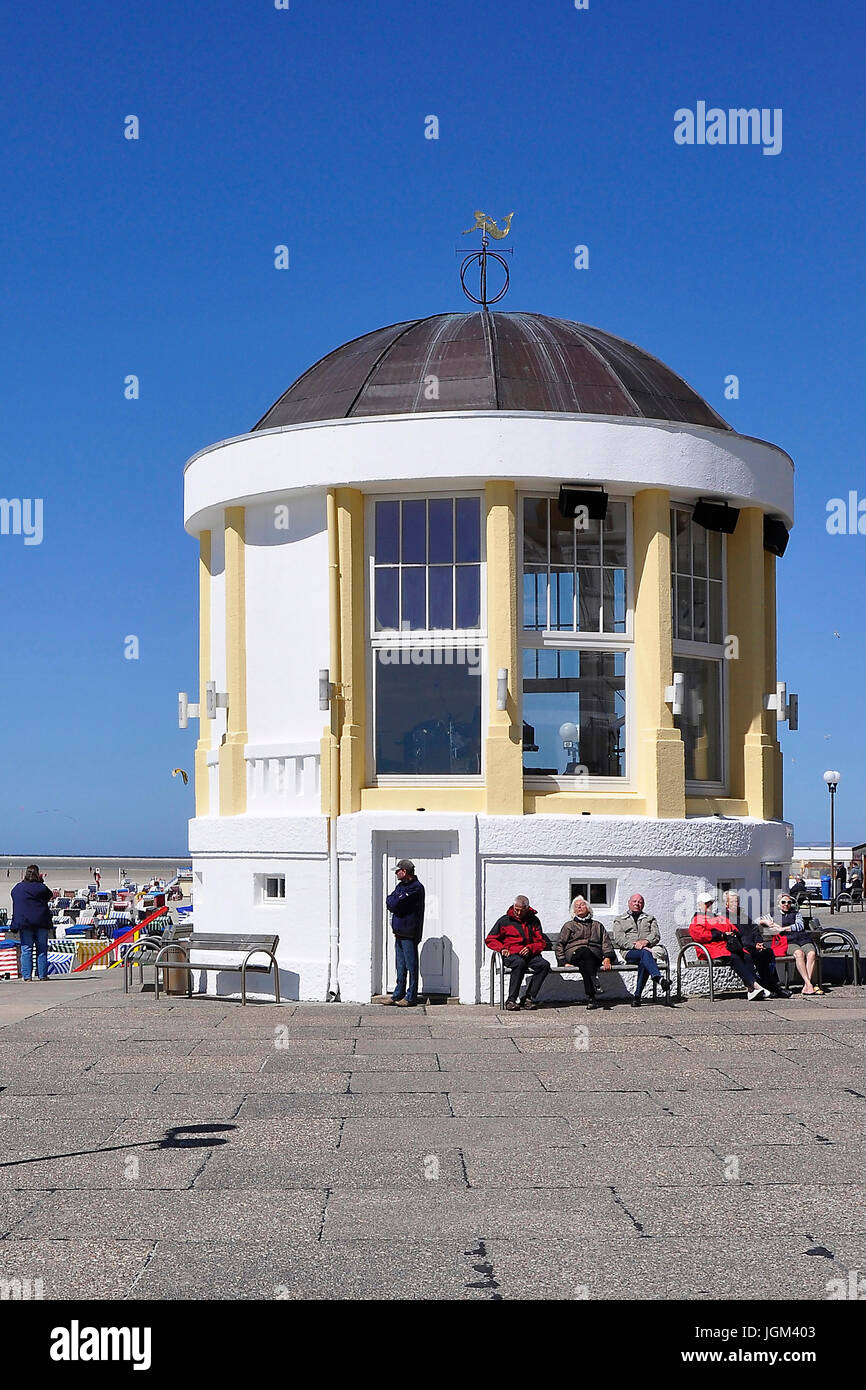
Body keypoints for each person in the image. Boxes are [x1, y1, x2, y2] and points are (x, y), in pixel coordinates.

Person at [688, 891, 770, 1001]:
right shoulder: (697, 919)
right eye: (706, 903)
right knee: (734, 957)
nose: (709, 906)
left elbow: (732, 928)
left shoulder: (717, 918)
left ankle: (751, 990)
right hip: (709, 949)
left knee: (746, 955)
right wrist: (721, 935)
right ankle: (755, 985)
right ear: (700, 905)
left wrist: (732, 934)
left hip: (723, 947)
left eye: (710, 903)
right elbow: (700, 936)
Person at [485, 895, 551, 1010]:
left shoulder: (534, 920)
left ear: (527, 908)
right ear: (513, 906)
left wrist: (530, 948)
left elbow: (541, 942)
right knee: (519, 963)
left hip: (530, 954)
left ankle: (528, 998)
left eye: (522, 910)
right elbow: (490, 939)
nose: (519, 913)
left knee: (544, 965)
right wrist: (501, 948)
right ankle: (511, 1000)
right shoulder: (504, 920)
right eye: (516, 910)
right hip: (510, 954)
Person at [724, 891, 790, 998]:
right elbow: (738, 937)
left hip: (753, 946)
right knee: (758, 956)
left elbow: (755, 929)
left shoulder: (742, 914)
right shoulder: (726, 918)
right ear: (727, 904)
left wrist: (759, 942)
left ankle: (774, 986)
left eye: (737, 901)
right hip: (742, 949)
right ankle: (768, 986)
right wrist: (753, 945)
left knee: (768, 953)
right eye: (733, 902)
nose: (736, 904)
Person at [611, 893, 672, 1006]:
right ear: (629, 903)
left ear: (643, 904)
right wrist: (635, 945)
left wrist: (645, 942)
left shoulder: (650, 919)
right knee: (645, 954)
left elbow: (656, 935)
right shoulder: (620, 920)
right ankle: (658, 978)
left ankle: (637, 997)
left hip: (646, 952)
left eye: (640, 902)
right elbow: (619, 939)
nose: (637, 904)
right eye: (634, 901)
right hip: (629, 952)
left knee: (644, 960)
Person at [556, 896, 617, 1010]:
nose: (579, 907)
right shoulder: (569, 925)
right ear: (573, 911)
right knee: (584, 951)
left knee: (586, 962)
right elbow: (560, 944)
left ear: (588, 908)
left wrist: (607, 957)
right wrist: (563, 962)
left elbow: (606, 942)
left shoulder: (597, 925)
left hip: (593, 956)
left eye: (582, 904)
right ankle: (594, 985)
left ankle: (592, 997)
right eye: (576, 906)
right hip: (574, 954)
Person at [759, 893, 823, 997]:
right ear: (778, 904)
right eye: (783, 902)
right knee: (799, 953)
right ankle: (809, 984)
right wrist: (766, 921)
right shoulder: (773, 914)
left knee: (811, 953)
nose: (786, 904)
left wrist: (783, 928)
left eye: (789, 902)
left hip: (802, 939)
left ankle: (807, 985)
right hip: (788, 941)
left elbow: (799, 926)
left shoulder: (796, 913)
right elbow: (756, 921)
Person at [383, 859, 425, 1007]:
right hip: (399, 932)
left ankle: (411, 996)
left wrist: (395, 903)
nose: (396, 873)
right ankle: (397, 994)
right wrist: (395, 903)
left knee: (411, 965)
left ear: (405, 871)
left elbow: (396, 903)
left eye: (398, 871)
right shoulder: (401, 886)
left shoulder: (416, 888)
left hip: (409, 933)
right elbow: (389, 901)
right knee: (400, 966)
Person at [11, 864, 53, 982]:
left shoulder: (18, 888)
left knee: (26, 949)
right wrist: (41, 882)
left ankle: (27, 976)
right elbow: (49, 895)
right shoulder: (41, 888)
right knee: (41, 949)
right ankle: (42, 975)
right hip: (40, 922)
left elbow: (14, 896)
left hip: (25, 922)